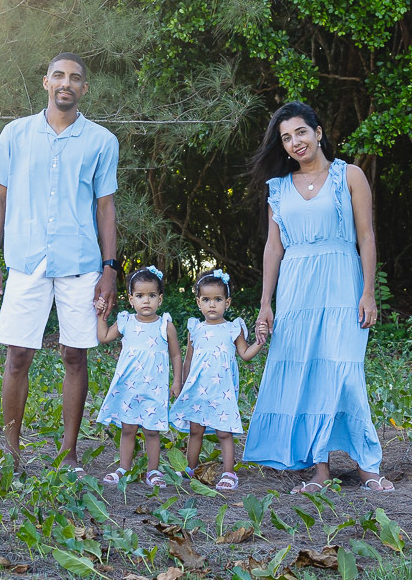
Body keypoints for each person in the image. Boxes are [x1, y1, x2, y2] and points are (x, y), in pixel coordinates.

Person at [243, 102, 394, 494]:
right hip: (297, 291)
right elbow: (273, 249)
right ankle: (320, 470)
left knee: (345, 371)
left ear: (319, 132)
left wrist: (368, 292)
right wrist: (265, 302)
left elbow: (366, 237)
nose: (295, 143)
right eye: (286, 138)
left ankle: (367, 466)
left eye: (301, 133)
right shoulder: (278, 188)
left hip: (343, 285)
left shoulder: (350, 176)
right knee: (309, 376)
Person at [0, 53, 120, 474]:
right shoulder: (15, 134)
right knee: (18, 355)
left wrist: (110, 268)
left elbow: (106, 207)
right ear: (45, 82)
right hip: (26, 261)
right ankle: (11, 451)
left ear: (84, 89)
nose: (66, 83)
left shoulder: (101, 141)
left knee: (75, 355)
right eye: (59, 75)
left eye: (75, 78)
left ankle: (69, 454)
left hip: (80, 262)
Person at [169, 268, 263, 491]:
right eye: (206, 300)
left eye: (218, 299)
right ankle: (189, 468)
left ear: (227, 303)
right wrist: (180, 383)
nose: (212, 305)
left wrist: (260, 341)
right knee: (196, 429)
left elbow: (245, 355)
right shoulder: (196, 328)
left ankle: (229, 472)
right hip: (198, 388)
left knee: (224, 431)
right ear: (199, 302)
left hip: (222, 389)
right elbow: (189, 359)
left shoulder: (232, 328)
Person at [96, 266, 182, 488]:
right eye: (140, 296)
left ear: (160, 299)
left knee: (152, 430)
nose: (146, 301)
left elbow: (175, 354)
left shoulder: (165, 325)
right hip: (129, 387)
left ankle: (153, 471)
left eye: (152, 295)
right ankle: (124, 468)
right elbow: (104, 337)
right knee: (128, 428)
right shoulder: (126, 322)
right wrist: (100, 316)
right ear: (131, 299)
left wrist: (177, 381)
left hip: (155, 387)